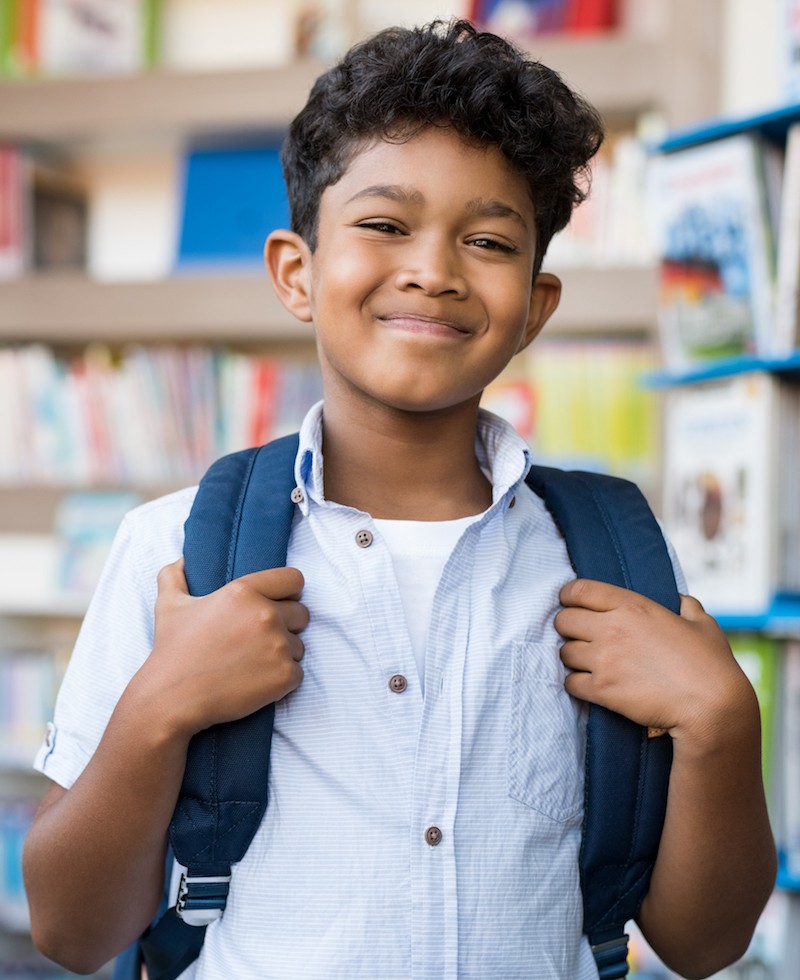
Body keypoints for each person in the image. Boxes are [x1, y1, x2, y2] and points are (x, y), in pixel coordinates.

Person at [23, 18, 776, 980]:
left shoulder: (610, 558)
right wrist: (158, 710)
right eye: (384, 224)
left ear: (536, 307)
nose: (434, 269)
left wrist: (721, 719)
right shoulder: (175, 553)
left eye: (490, 240)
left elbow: (705, 945)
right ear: (297, 272)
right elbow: (70, 932)